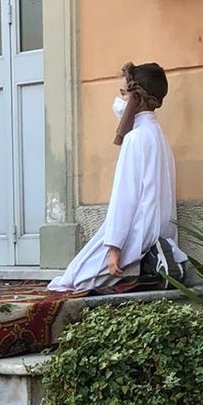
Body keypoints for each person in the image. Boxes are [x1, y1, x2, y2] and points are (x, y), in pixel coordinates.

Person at [49, 62, 183, 295]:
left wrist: (114, 247)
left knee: (71, 281)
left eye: (123, 94)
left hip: (135, 235)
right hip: (155, 235)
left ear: (136, 99)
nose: (118, 100)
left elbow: (125, 197)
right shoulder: (159, 137)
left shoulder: (136, 138)